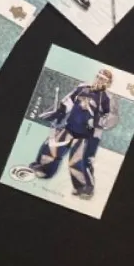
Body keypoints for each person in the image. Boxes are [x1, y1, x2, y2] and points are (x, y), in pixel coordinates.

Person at [29, 68, 115, 200]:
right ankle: (44, 169)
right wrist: (60, 112)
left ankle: (84, 188)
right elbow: (69, 100)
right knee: (52, 147)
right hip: (69, 127)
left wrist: (96, 121)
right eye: (98, 77)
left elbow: (110, 118)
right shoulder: (83, 88)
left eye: (103, 79)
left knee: (78, 161)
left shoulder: (106, 98)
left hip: (87, 135)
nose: (99, 80)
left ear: (108, 83)